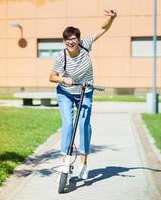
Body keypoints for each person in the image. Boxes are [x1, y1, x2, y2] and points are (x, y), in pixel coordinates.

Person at [49, 9, 117, 179]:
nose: (69, 41)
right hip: (65, 93)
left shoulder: (85, 45)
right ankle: (65, 162)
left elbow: (102, 29)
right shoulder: (61, 57)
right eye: (66, 39)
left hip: (85, 92)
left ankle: (84, 163)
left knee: (84, 125)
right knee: (68, 124)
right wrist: (63, 80)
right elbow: (51, 77)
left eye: (72, 38)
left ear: (78, 39)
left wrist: (111, 18)